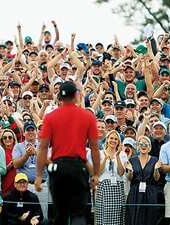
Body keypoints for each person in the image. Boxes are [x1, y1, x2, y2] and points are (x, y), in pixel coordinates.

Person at [35, 81, 100, 225]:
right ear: (76, 96)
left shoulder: (51, 117)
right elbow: (95, 147)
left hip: (58, 167)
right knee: (78, 213)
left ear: (60, 97)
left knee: (60, 214)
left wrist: (39, 175)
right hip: (78, 166)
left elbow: (43, 147)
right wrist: (95, 174)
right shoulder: (87, 116)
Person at [125, 136, 163, 225]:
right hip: (135, 192)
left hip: (150, 192)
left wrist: (156, 170)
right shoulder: (132, 160)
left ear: (149, 147)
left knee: (150, 217)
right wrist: (130, 171)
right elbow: (129, 178)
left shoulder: (155, 160)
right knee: (134, 216)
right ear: (138, 146)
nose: (143, 146)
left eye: (146, 144)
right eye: (141, 144)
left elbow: (156, 178)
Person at [95, 130, 128, 225]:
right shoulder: (100, 153)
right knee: (103, 215)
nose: (113, 141)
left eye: (116, 139)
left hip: (117, 187)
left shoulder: (122, 154)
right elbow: (98, 172)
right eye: (111, 138)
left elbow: (121, 173)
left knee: (117, 216)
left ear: (118, 141)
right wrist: (105, 157)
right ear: (107, 140)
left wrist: (117, 155)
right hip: (103, 186)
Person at [0, 128, 18, 196]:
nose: (7, 139)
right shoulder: (0, 152)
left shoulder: (18, 150)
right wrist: (8, 166)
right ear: (2, 140)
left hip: (18, 184)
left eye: (10, 137)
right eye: (5, 137)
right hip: (5, 184)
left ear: (13, 139)